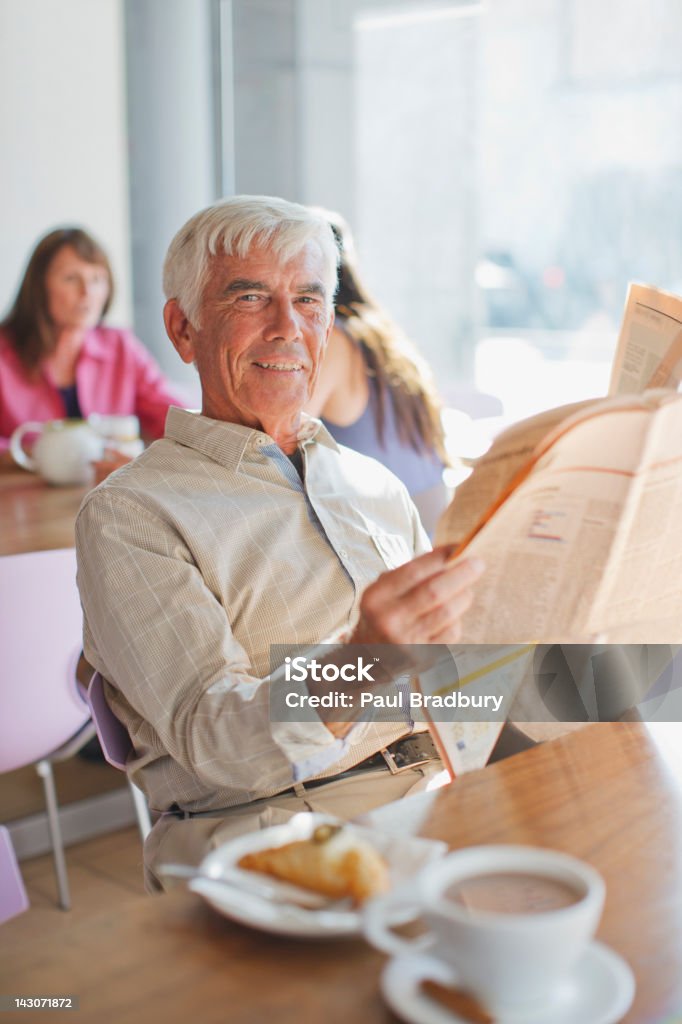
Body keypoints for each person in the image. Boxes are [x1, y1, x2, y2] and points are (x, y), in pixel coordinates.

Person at [75, 196, 483, 888]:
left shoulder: (373, 485)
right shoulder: (132, 513)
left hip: (437, 795)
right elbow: (214, 740)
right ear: (183, 327)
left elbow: (454, 682)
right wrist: (365, 661)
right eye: (249, 297)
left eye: (308, 299)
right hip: (275, 835)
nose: (287, 326)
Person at [306, 210, 449, 537]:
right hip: (429, 529)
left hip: (387, 537)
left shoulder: (333, 343)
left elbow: (278, 439)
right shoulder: (383, 334)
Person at [0, 226, 187, 467]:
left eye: (97, 279)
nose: (87, 292)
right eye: (71, 279)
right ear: (38, 287)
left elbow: (172, 415)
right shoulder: (5, 351)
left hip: (99, 493)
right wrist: (29, 454)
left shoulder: (120, 346)